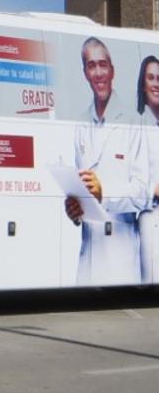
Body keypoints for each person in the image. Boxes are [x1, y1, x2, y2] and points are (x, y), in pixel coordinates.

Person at [66, 38, 149, 285]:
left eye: (103, 64)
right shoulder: (80, 124)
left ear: (112, 70)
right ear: (85, 73)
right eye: (92, 65)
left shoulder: (132, 121)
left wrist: (106, 193)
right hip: (87, 258)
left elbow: (144, 191)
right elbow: (81, 187)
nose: (99, 72)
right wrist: (75, 209)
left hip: (120, 258)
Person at [134, 55, 159, 282]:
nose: (156, 83)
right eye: (150, 78)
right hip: (153, 217)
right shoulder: (137, 127)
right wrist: (155, 189)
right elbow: (132, 181)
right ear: (143, 85)